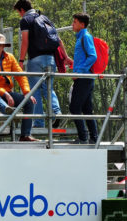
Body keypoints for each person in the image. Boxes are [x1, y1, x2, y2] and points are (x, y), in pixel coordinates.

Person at [14, 0, 72, 128]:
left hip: (35, 59)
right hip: (50, 59)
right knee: (48, 88)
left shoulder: (25, 20)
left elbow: (25, 41)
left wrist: (21, 60)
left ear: (22, 10)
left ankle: (38, 122)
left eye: (19, 12)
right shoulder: (45, 18)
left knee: (35, 91)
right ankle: (57, 112)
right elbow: (58, 39)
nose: (19, 15)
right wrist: (66, 57)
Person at [0, 34, 38, 142]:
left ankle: (25, 135)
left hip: (7, 93)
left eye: (0, 45)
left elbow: (20, 75)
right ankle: (9, 112)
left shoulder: (10, 57)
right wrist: (4, 93)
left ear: (4, 46)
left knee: (29, 101)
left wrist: (27, 92)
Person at [69, 13, 97, 144]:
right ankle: (93, 137)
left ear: (82, 24)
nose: (72, 24)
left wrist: (79, 71)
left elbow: (93, 56)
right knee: (86, 109)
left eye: (75, 22)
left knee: (74, 107)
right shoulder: (81, 37)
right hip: (84, 77)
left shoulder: (85, 36)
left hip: (84, 78)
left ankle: (83, 137)